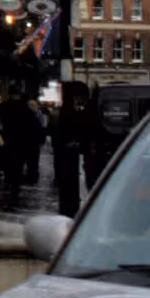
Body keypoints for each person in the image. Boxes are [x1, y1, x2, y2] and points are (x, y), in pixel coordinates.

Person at [50, 81, 94, 218]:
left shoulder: (64, 111)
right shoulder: (73, 112)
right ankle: (71, 209)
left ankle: (68, 208)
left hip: (65, 154)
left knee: (68, 187)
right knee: (73, 185)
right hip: (72, 153)